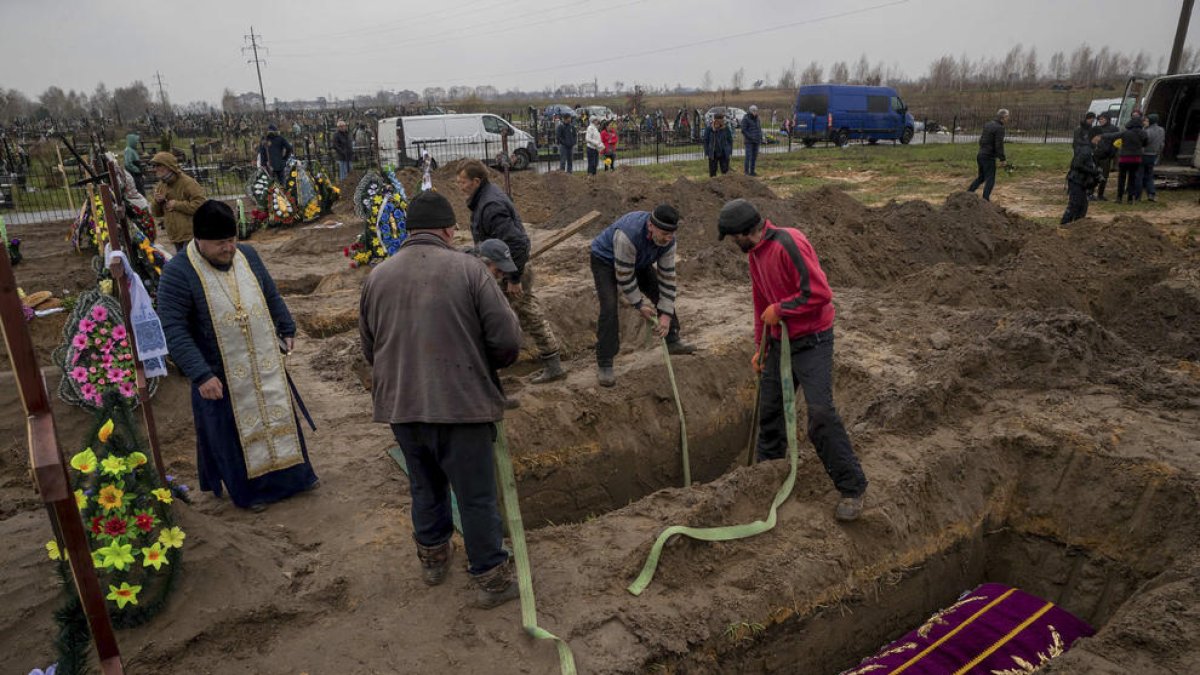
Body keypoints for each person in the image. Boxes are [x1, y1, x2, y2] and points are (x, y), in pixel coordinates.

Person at [358, 190, 522, 609]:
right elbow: (506, 340)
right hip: (461, 405)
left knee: (425, 485)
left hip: (402, 406)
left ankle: (433, 560)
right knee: (476, 495)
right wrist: (487, 365)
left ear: (409, 231)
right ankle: (490, 578)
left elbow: (369, 346)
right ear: (450, 230)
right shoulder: (469, 270)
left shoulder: (376, 276)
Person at [157, 200, 318, 512]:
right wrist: (200, 374)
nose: (229, 249)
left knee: (278, 417)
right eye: (220, 244)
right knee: (230, 435)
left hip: (263, 362)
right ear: (199, 240)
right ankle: (252, 493)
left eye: (232, 241)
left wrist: (287, 326)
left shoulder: (249, 255)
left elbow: (270, 293)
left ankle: (296, 479)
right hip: (218, 372)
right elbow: (172, 328)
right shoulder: (177, 272)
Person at [717, 198, 868, 521]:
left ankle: (852, 488)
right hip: (780, 341)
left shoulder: (789, 243)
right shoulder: (755, 256)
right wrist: (761, 347)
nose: (733, 243)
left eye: (733, 237)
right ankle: (766, 479)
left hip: (813, 339)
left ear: (745, 231)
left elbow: (819, 293)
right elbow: (761, 304)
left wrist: (781, 310)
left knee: (821, 413)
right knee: (770, 412)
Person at [455, 160, 566, 386]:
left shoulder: (491, 205)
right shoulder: (484, 199)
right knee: (515, 314)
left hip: (510, 269)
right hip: (503, 266)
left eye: (462, 181)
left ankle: (551, 365)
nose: (460, 186)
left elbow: (517, 243)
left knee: (518, 314)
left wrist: (514, 278)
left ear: (476, 181)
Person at [589, 205, 695, 387]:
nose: (668, 238)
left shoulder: (668, 240)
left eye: (672, 234)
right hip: (605, 260)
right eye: (664, 233)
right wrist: (638, 305)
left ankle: (672, 339)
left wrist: (666, 315)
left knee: (660, 292)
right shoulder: (627, 235)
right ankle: (605, 362)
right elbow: (624, 274)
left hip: (639, 259)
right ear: (651, 226)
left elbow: (668, 277)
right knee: (609, 306)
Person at [149, 151, 206, 254]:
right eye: (154, 166)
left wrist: (177, 205)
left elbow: (201, 205)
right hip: (175, 236)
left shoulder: (187, 183)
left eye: (158, 165)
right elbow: (156, 213)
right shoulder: (161, 186)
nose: (155, 169)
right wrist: (157, 202)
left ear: (168, 166)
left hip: (191, 235)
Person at [967, 108, 1008, 201]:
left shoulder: (988, 125)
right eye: (1007, 117)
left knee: (981, 177)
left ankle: (967, 194)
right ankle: (985, 200)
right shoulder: (1000, 128)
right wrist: (1002, 159)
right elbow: (999, 145)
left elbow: (981, 140)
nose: (1008, 119)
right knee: (990, 179)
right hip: (988, 157)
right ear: (1003, 117)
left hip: (981, 154)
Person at [1062, 132, 1101, 224]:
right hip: (1076, 180)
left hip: (1082, 182)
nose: (1100, 139)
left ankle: (1078, 225)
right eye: (1099, 136)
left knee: (1083, 206)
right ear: (1094, 137)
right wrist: (1092, 171)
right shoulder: (1086, 150)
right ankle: (1064, 224)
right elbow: (1077, 164)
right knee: (1074, 204)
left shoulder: (1091, 149)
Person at [1110, 117, 1148, 203]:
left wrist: (1103, 136)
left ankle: (1119, 197)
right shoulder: (1143, 133)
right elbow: (1145, 144)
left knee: (1122, 178)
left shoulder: (1125, 133)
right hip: (1136, 159)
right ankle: (1130, 198)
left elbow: (1113, 136)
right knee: (1132, 178)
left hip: (1124, 158)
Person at [1089, 112, 1119, 201]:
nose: (1100, 121)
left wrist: (1112, 153)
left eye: (1102, 119)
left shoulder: (1114, 129)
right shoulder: (1096, 129)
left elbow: (1117, 142)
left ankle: (1100, 194)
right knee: (1093, 174)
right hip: (1095, 155)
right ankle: (1090, 193)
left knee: (1104, 176)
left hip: (1106, 156)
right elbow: (1090, 140)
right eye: (1099, 119)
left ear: (1107, 119)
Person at [702, 111, 734, 177]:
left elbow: (730, 140)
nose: (720, 122)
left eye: (721, 120)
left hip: (724, 152)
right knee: (713, 171)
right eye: (718, 120)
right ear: (715, 120)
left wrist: (729, 150)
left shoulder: (726, 128)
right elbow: (706, 140)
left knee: (725, 171)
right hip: (713, 152)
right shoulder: (709, 129)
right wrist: (707, 152)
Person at [1142, 113, 1165, 202]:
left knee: (1141, 174)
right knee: (1149, 174)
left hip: (1145, 154)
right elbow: (1162, 143)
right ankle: (1151, 193)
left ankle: (1137, 194)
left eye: (1146, 120)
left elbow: (1145, 142)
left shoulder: (1147, 131)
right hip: (1154, 154)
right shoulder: (1161, 130)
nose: (1144, 122)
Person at [742, 104, 763, 176]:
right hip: (749, 141)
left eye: (756, 111)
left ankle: (752, 171)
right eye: (753, 111)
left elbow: (759, 129)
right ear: (750, 111)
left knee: (754, 157)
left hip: (756, 141)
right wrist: (750, 137)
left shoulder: (757, 119)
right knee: (748, 156)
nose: (755, 112)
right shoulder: (746, 118)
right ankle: (746, 172)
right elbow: (743, 130)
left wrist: (760, 137)